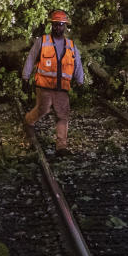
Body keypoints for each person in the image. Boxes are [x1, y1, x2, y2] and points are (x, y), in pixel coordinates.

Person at [23, 9, 84, 156]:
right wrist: (25, 77)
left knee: (63, 115)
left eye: (61, 25)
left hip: (61, 88)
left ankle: (61, 146)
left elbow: (78, 64)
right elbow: (31, 58)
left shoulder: (70, 45)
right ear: (52, 25)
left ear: (65, 26)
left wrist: (80, 81)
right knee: (43, 109)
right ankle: (28, 120)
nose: (58, 27)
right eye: (56, 25)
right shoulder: (43, 41)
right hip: (44, 86)